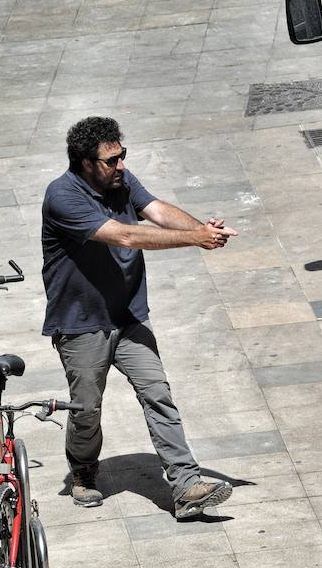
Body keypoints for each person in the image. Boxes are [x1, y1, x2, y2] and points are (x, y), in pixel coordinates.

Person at [41, 116, 239, 519]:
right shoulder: (63, 197)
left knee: (158, 394)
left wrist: (203, 230)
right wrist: (193, 239)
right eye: (110, 160)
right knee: (86, 410)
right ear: (84, 162)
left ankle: (186, 487)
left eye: (122, 156)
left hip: (128, 317)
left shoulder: (121, 182)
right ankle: (82, 472)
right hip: (81, 324)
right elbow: (127, 235)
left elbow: (157, 212)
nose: (121, 166)